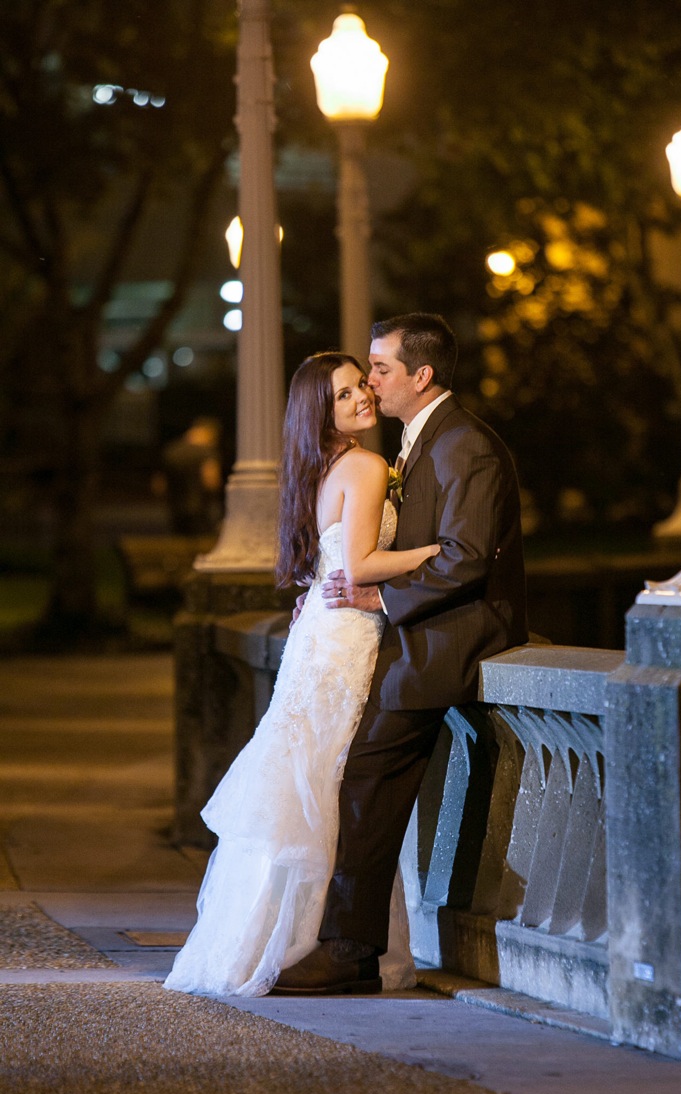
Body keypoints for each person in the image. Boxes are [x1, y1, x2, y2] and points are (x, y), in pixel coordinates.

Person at [164, 352, 440, 997]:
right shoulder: (368, 465)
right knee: (329, 780)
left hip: (322, 628)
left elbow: (332, 563)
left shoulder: (324, 469)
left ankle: (272, 936)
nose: (362, 399)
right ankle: (316, 941)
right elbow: (363, 564)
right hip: (345, 635)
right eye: (344, 395)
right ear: (323, 411)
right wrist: (436, 553)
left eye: (361, 386)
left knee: (308, 772)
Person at [271, 313, 528, 995]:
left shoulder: (463, 444)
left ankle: (351, 950)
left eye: (380, 368)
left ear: (422, 375)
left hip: (451, 635)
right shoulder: (420, 440)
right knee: (356, 773)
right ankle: (344, 941)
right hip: (420, 629)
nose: (372, 378)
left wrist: (378, 602)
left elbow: (466, 558)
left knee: (367, 775)